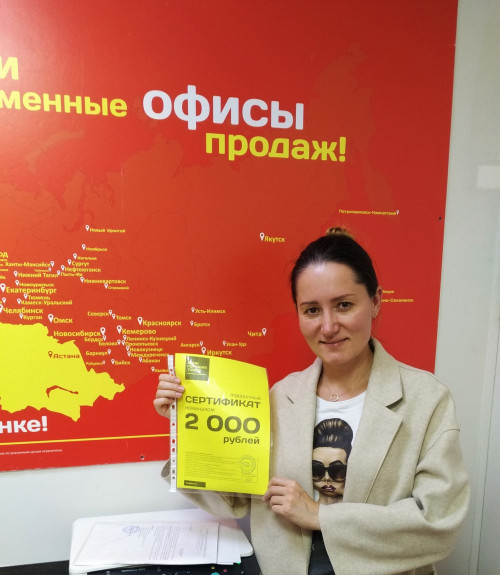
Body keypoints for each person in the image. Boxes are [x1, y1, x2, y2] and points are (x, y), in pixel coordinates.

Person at [154, 227, 469, 575]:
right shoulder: (278, 398)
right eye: (312, 310)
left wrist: (320, 516)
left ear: (376, 301)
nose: (328, 326)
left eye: (344, 305)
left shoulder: (427, 400)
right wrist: (185, 424)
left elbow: (437, 523)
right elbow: (233, 500)